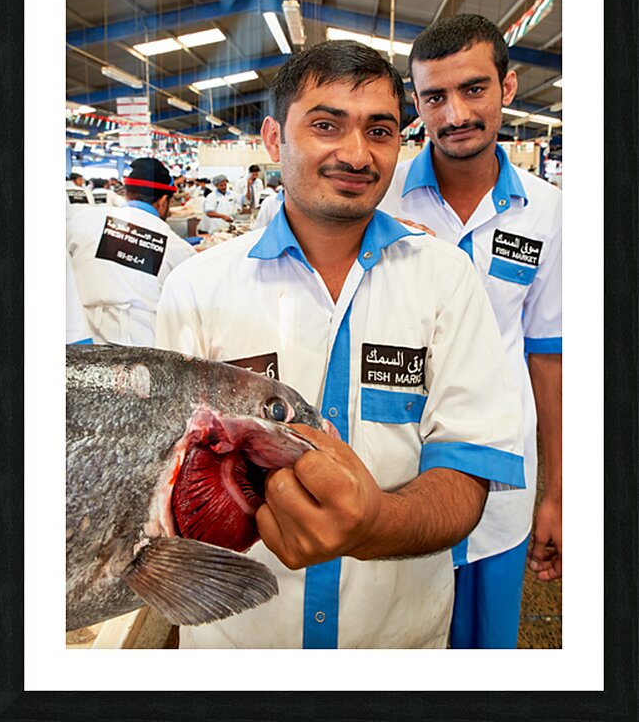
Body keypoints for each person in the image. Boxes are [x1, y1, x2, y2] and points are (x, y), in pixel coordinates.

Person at [156, 40, 524, 650]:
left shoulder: (444, 277)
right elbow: (170, 482)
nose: (356, 154)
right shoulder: (198, 288)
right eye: (326, 125)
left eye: (379, 130)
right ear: (274, 139)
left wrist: (375, 523)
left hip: (395, 648)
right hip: (243, 650)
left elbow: (468, 466)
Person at [380, 13, 562, 649]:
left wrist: (556, 496)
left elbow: (548, 358)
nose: (455, 113)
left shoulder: (548, 212)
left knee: (484, 657)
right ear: (416, 103)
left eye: (474, 89)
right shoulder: (383, 196)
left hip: (500, 483)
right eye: (434, 96)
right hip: (393, 474)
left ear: (507, 87)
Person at [67, 157, 195, 346]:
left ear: (127, 194)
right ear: (162, 201)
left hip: (83, 343)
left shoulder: (83, 220)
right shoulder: (178, 248)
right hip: (144, 351)